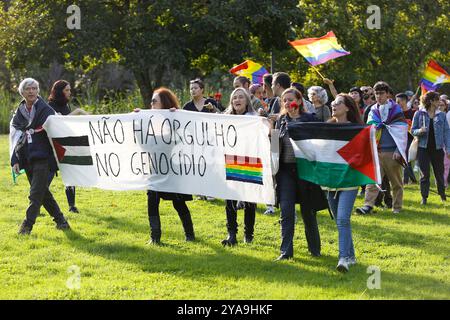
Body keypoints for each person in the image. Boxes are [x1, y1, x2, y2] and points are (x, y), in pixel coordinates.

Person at [10, 78, 70, 235]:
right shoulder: (19, 113)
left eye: (34, 88)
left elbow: (59, 130)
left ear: (38, 91)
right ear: (22, 92)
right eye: (28, 89)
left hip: (45, 158)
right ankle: (61, 221)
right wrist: (15, 160)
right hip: (27, 158)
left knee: (35, 194)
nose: (31, 91)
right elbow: (15, 138)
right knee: (43, 193)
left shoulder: (46, 110)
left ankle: (26, 226)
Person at [274, 88, 326, 260]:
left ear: (299, 100)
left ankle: (315, 249)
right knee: (286, 210)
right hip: (285, 171)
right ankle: (286, 251)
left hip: (305, 172)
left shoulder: (310, 119)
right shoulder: (281, 120)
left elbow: (320, 143)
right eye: (284, 101)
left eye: (290, 99)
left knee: (308, 211)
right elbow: (274, 147)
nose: (287, 103)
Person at [146, 87, 196, 244]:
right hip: (156, 167)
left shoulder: (176, 119)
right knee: (152, 200)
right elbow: (143, 144)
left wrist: (176, 120)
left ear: (164, 103)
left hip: (174, 169)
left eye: (155, 101)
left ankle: (190, 234)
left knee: (178, 202)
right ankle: (155, 237)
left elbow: (183, 139)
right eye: (151, 101)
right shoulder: (149, 121)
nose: (152, 104)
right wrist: (136, 119)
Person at [356, 81, 408, 215]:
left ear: (388, 94)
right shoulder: (373, 110)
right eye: (376, 93)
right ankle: (368, 205)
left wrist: (398, 150)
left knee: (396, 182)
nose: (379, 96)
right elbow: (369, 129)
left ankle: (397, 207)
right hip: (377, 151)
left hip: (392, 152)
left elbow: (402, 131)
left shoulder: (396, 109)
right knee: (372, 180)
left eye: (381, 93)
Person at [326, 93, 364, 272]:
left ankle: (343, 259)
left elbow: (363, 154)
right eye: (333, 103)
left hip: (349, 180)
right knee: (340, 221)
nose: (333, 106)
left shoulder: (356, 129)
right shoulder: (325, 128)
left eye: (338, 103)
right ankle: (351, 256)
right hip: (330, 181)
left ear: (347, 107)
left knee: (342, 219)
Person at [221, 88, 258, 246]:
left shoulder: (254, 118)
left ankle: (248, 235)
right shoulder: (225, 118)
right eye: (234, 97)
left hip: (250, 162)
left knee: (250, 200)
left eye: (241, 97)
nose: (237, 100)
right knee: (230, 198)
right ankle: (232, 234)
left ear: (247, 100)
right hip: (231, 161)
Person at [47, 80, 87, 213]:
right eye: (67, 90)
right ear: (59, 91)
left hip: (67, 146)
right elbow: (61, 122)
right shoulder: (50, 106)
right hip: (53, 148)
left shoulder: (66, 105)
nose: (70, 92)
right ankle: (37, 202)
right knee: (47, 178)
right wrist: (79, 111)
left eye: (70, 90)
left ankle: (71, 206)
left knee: (71, 174)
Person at [411, 91, 450, 204]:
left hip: (438, 149)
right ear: (432, 101)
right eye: (437, 100)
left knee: (439, 174)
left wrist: (448, 149)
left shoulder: (441, 115)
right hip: (423, 149)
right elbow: (412, 130)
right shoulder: (419, 114)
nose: (440, 102)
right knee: (425, 174)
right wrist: (420, 131)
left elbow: (446, 133)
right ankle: (424, 197)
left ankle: (442, 195)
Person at [396, 92, 417, 184]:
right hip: (400, 138)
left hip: (411, 139)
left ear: (404, 101)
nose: (397, 104)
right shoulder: (397, 114)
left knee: (406, 158)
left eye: (398, 101)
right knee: (405, 159)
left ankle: (405, 181)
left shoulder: (413, 112)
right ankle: (413, 179)